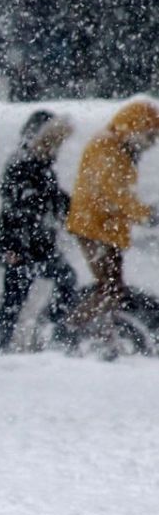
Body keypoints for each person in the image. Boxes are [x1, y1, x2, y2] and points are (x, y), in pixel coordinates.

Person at [64, 100, 159, 358]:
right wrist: (146, 215)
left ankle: (102, 335)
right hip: (94, 228)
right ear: (134, 128)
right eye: (150, 136)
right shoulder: (107, 147)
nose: (152, 144)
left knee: (111, 289)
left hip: (106, 228)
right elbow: (116, 192)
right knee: (110, 289)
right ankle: (71, 329)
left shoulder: (120, 147)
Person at [0, 111, 77, 350]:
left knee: (18, 297)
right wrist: (13, 248)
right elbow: (16, 208)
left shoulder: (40, 165)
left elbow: (53, 198)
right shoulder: (23, 163)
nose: (57, 148)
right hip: (21, 245)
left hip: (36, 244)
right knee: (16, 298)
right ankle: (8, 341)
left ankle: (42, 328)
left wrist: (74, 210)